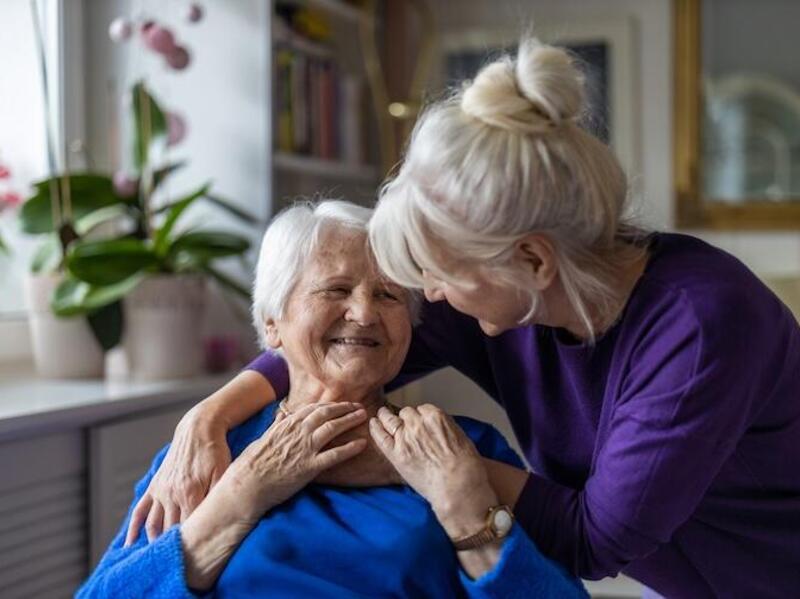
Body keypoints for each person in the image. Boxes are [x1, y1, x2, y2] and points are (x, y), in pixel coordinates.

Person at [129, 38, 800, 597]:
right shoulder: (504, 299)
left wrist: (440, 479)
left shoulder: (701, 326)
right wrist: (209, 419)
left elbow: (595, 539)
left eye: (436, 276)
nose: (429, 299)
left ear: (533, 262)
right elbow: (339, 342)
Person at [80, 201, 586, 598]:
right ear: (272, 323)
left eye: (388, 296)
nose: (365, 314)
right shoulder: (210, 454)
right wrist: (239, 498)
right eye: (336, 289)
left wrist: (465, 509)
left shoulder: (459, 448)